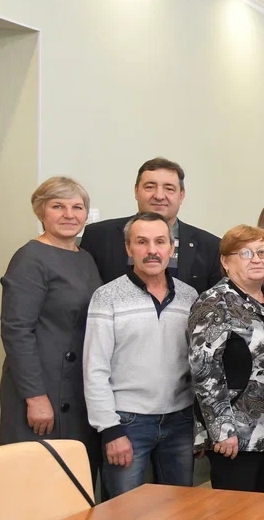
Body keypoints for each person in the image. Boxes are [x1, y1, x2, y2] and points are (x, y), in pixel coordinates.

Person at [83, 212, 199, 497]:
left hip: (180, 421)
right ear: (128, 248)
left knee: (181, 509)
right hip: (127, 422)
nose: (152, 250)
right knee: (124, 513)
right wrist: (110, 429)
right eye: (142, 242)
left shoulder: (190, 297)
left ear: (171, 248)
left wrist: (200, 424)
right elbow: (95, 368)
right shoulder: (107, 297)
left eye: (160, 242)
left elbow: (199, 364)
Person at [0, 177, 103, 474]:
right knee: (39, 479)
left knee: (77, 478)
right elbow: (17, 331)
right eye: (58, 206)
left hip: (77, 388)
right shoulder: (30, 258)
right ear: (41, 211)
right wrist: (35, 397)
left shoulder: (85, 258)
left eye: (77, 207)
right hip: (42, 388)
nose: (69, 215)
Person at [188, 225, 264, 494]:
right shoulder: (213, 303)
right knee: (239, 516)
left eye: (262, 252)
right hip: (237, 437)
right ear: (225, 261)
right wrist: (222, 431)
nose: (256, 259)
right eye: (245, 253)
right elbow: (205, 371)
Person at [80, 157, 222, 292]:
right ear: (136, 191)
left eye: (169, 188)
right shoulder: (98, 236)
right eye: (150, 187)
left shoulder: (211, 247)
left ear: (181, 196)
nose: (159, 196)